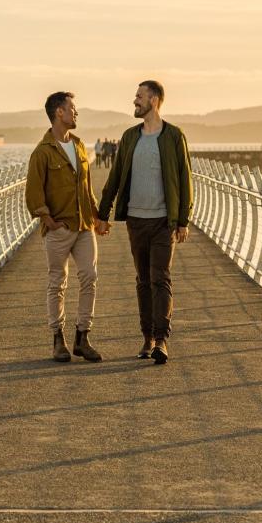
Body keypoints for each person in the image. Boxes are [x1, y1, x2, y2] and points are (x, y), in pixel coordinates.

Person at [97, 80, 193, 365]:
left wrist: (183, 220)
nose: (134, 101)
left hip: (164, 221)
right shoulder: (129, 137)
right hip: (136, 221)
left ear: (154, 100)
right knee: (142, 280)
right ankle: (148, 338)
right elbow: (115, 177)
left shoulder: (174, 136)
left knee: (160, 278)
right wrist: (103, 214)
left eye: (139, 96)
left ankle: (162, 340)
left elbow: (184, 178)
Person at [25, 92, 107, 363]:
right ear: (59, 112)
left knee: (89, 277)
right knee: (57, 283)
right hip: (60, 228)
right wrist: (49, 220)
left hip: (83, 225)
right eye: (73, 108)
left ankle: (82, 337)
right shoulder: (42, 152)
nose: (76, 112)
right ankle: (57, 340)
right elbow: (34, 193)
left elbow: (85, 187)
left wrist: (97, 217)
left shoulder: (80, 145)